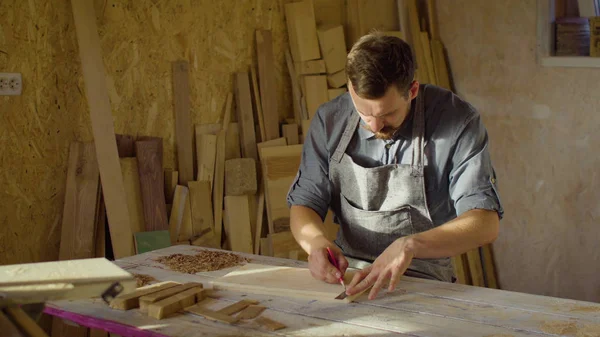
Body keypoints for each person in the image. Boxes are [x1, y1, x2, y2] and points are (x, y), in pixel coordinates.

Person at [286, 32, 504, 300]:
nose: (375, 126)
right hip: (349, 275)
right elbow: (305, 202)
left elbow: (485, 223)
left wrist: (410, 245)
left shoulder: (457, 121)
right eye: (364, 112)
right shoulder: (330, 120)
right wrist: (317, 244)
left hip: (424, 281)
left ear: (412, 90)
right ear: (350, 88)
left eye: (387, 114)